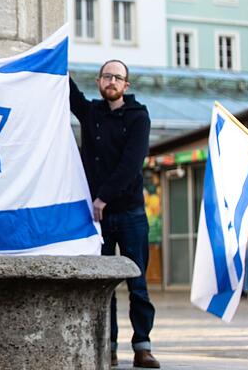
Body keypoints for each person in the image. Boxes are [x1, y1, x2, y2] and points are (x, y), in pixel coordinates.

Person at [69, 60, 160, 369]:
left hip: (130, 212)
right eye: (107, 76)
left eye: (117, 77)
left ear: (126, 85)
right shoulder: (91, 112)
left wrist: (103, 198)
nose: (111, 81)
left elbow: (131, 164)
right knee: (102, 286)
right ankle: (107, 347)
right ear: (98, 81)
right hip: (98, 218)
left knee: (138, 285)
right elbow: (69, 95)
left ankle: (142, 347)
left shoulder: (138, 117)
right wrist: (55, 59)